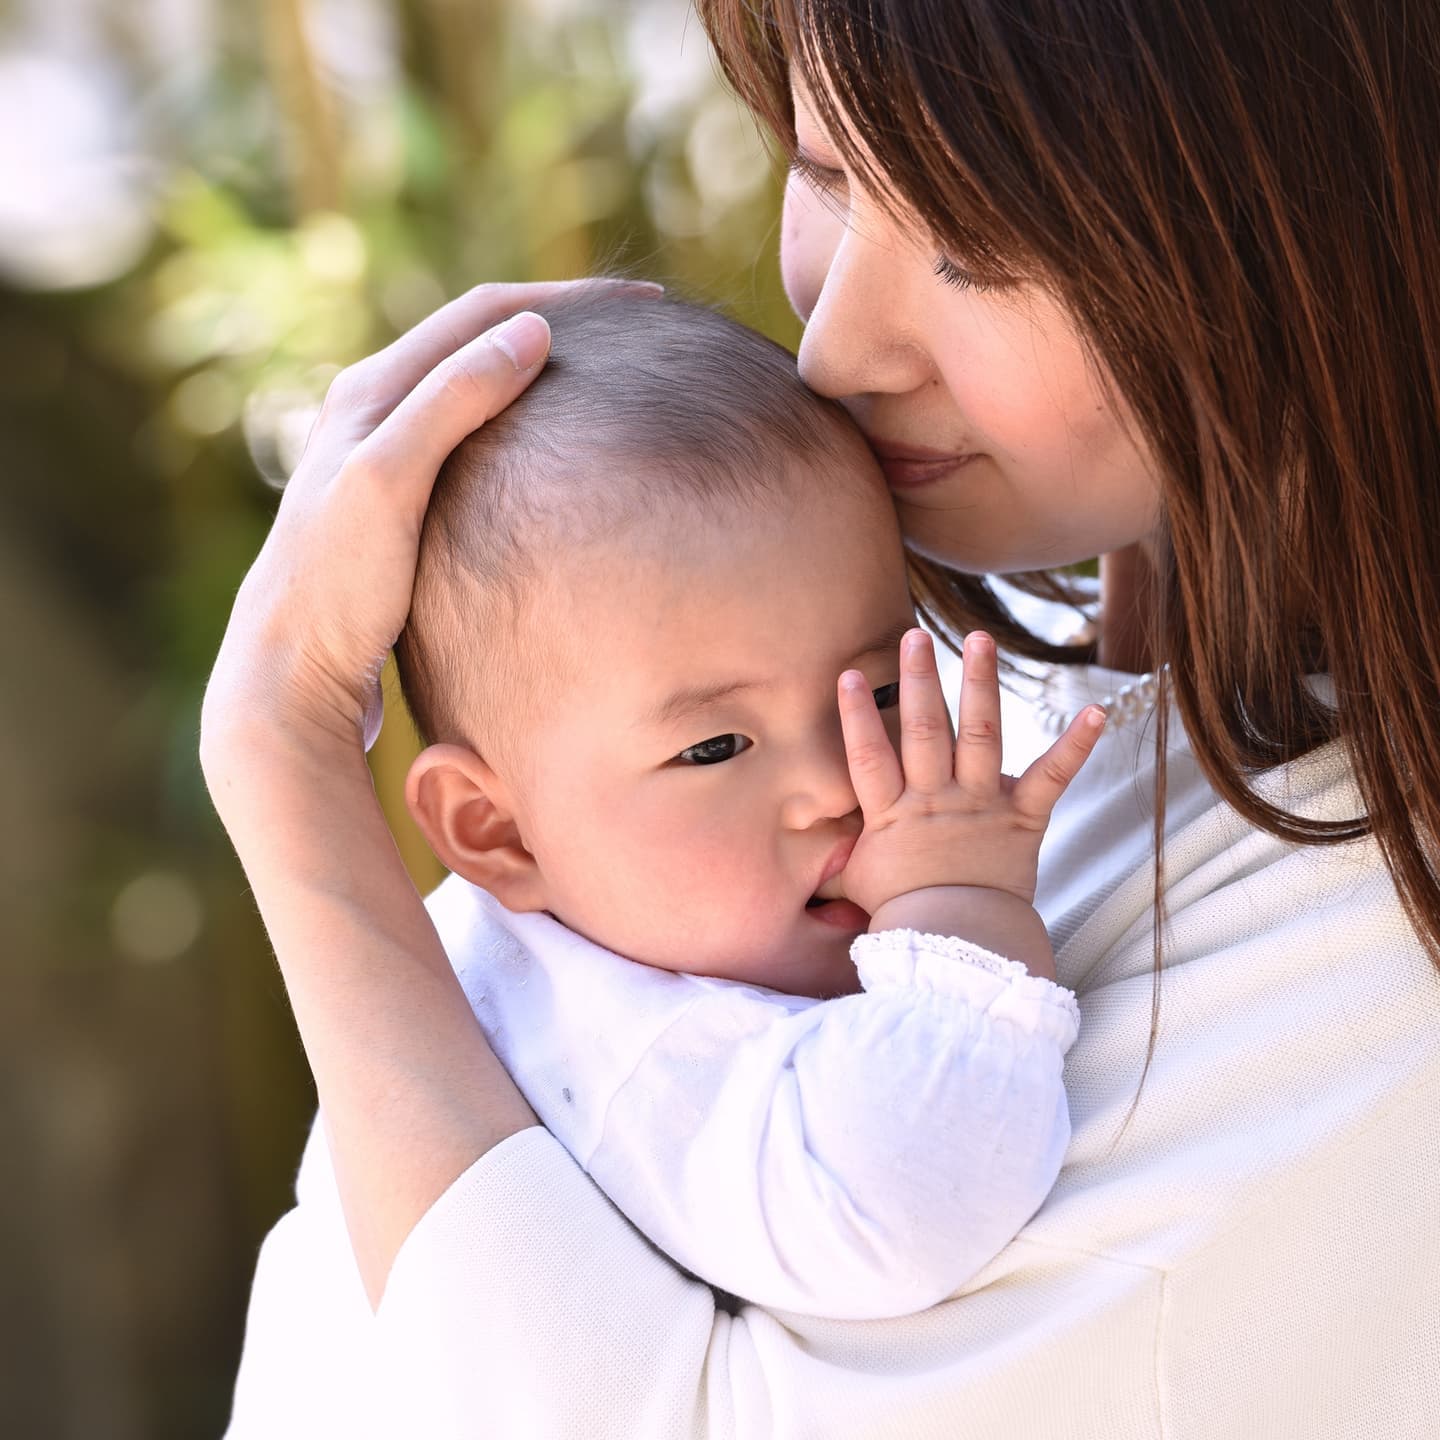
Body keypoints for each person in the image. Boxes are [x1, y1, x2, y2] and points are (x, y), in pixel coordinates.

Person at [204, 2, 1440, 1436]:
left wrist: (287, 755)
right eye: (826, 173)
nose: (836, 348)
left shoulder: (1369, 926)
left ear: (1313, 217)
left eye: (979, 245)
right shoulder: (970, 730)